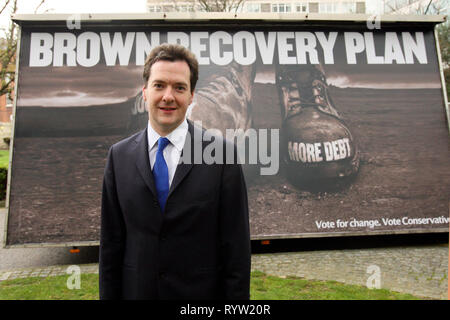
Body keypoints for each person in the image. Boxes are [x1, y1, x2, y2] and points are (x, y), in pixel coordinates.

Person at [99, 44, 251, 300]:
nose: (168, 96)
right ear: (145, 92)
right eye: (159, 85)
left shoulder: (222, 156)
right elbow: (111, 247)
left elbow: (235, 250)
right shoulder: (118, 157)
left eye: (179, 87)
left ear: (192, 95)